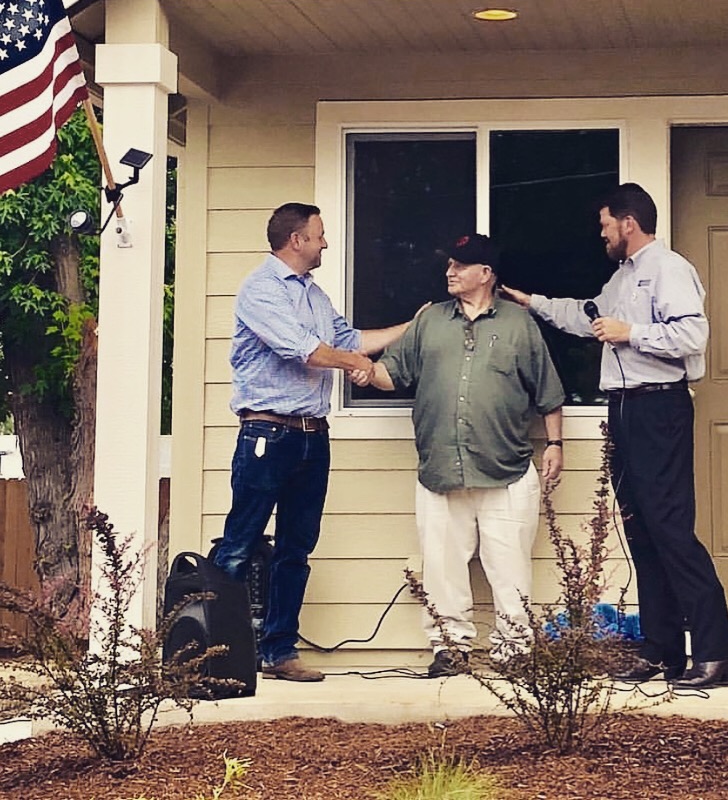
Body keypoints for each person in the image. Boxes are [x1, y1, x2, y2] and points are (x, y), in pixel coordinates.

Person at [501, 183, 728, 689]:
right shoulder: (623, 276)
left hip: (660, 407)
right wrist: (534, 303)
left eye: (606, 224)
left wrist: (631, 333)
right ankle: (662, 650)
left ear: (628, 223)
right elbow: (590, 317)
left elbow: (692, 336)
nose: (602, 233)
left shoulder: (668, 269)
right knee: (641, 529)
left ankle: (717, 652)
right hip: (626, 408)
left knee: (670, 527)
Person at [213, 202, 413, 682]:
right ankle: (213, 657)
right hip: (267, 433)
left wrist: (415, 324)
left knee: (296, 548)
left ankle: (278, 651)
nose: (325, 242)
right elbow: (306, 351)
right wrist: (354, 366)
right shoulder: (261, 291)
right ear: (296, 240)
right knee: (240, 544)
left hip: (311, 437)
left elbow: (352, 340)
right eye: (319, 235)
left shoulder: (316, 296)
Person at [363, 233, 565, 678]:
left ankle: (515, 651)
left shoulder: (518, 324)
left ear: (486, 274)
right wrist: (357, 368)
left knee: (510, 566)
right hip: (440, 469)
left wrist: (555, 444)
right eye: (450, 264)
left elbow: (548, 392)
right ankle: (449, 647)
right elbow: (391, 374)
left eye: (461, 265)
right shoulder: (430, 321)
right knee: (441, 567)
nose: (450, 272)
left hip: (506, 469)